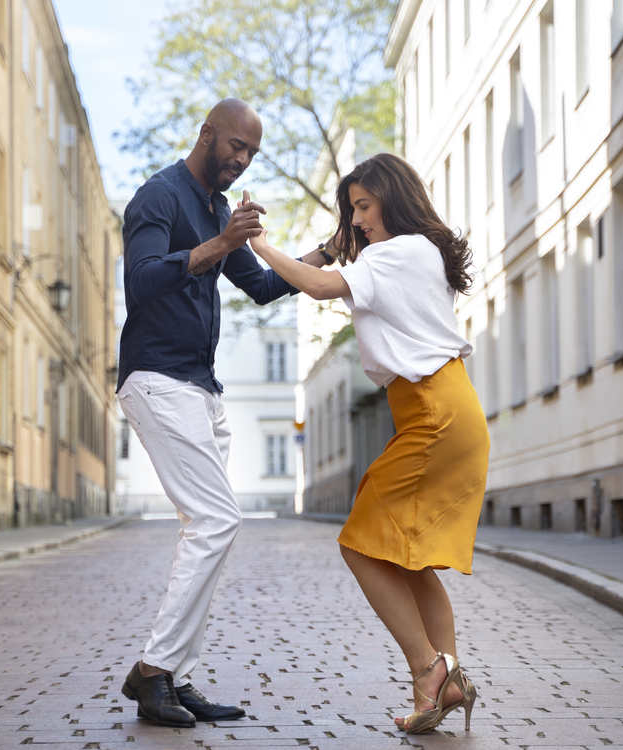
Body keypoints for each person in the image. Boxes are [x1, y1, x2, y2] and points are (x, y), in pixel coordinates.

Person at [246, 153, 488, 733]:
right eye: (351, 210)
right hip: (445, 410)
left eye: (363, 207)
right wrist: (335, 241)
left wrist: (258, 245)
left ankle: (427, 671)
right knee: (409, 555)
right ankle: (444, 682)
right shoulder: (415, 254)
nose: (357, 221)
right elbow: (340, 267)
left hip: (431, 412)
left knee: (360, 543)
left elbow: (319, 286)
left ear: (392, 200)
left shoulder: (396, 252)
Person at [116, 99, 334, 727]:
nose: (241, 160)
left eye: (252, 154)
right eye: (235, 146)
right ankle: (153, 673)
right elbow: (142, 281)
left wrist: (323, 252)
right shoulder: (157, 196)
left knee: (208, 532)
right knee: (217, 519)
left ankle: (174, 675)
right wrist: (219, 242)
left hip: (202, 388)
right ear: (206, 134)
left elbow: (263, 288)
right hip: (157, 378)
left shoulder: (216, 209)